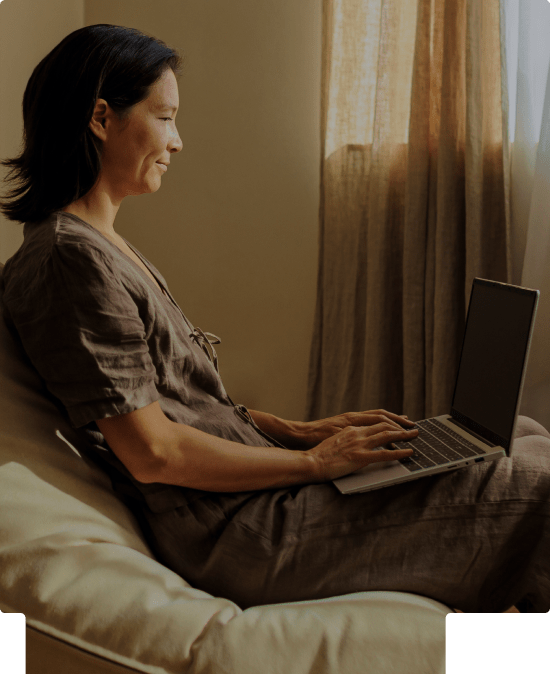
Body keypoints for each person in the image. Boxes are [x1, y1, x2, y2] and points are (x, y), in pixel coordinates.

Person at [1, 25, 549, 613]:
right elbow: (152, 451)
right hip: (244, 532)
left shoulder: (97, 244)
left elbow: (179, 404)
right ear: (101, 118)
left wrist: (303, 431)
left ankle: (514, 663)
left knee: (521, 435)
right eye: (165, 117)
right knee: (537, 486)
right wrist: (314, 463)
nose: (177, 141)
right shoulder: (69, 258)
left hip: (256, 504)